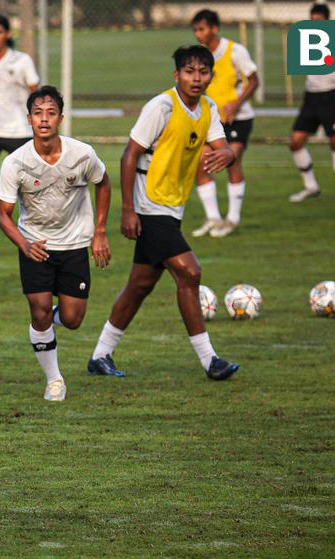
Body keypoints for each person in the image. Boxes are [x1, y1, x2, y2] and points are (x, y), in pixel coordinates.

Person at [88, 46, 240, 381]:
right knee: (190, 273)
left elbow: (222, 145)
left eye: (202, 72)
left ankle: (100, 356)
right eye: (189, 71)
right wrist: (128, 210)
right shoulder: (162, 106)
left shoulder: (208, 108)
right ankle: (210, 360)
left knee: (139, 285)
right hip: (149, 205)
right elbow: (129, 155)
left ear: (211, 77)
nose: (196, 78)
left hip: (173, 206)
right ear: (177, 75)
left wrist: (227, 153)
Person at [0, 86, 111, 401]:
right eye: (37, 113)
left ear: (60, 117)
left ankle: (49, 321)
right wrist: (24, 244)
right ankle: (54, 379)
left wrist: (99, 231)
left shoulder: (82, 154)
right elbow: (4, 214)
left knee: (73, 319)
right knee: (40, 309)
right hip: (36, 246)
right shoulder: (16, 163)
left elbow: (103, 183)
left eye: (50, 113)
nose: (44, 119)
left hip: (74, 244)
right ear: (29, 119)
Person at [190, 8, 259, 237]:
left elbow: (254, 80)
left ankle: (233, 219)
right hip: (212, 122)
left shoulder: (234, 51)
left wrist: (236, 104)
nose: (198, 34)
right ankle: (213, 218)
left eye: (202, 29)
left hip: (239, 119)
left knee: (232, 159)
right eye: (195, 30)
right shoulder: (199, 56)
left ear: (214, 28)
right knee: (201, 162)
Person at [0, 15, 40, 253]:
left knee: (32, 181)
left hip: (19, 129)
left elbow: (35, 92)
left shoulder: (22, 60)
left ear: (7, 34)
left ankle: (34, 223)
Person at [289, 2, 335, 207]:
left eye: (319, 21)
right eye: (312, 20)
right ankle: (311, 187)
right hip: (312, 97)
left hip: (332, 96)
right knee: (296, 141)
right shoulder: (308, 42)